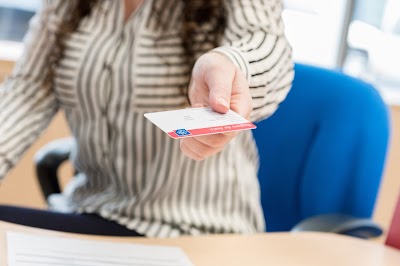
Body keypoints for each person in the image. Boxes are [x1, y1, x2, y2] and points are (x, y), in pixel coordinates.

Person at [0, 0, 294, 237]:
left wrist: (232, 64)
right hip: (90, 212)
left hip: (192, 229)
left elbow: (265, 42)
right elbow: (28, 90)